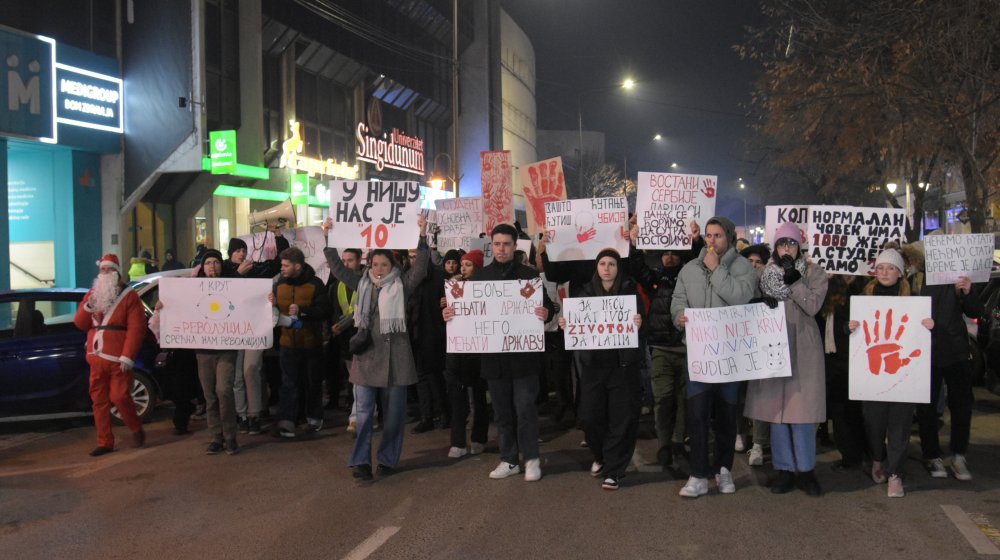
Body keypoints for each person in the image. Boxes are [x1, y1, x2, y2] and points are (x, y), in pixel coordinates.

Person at [444, 224, 554, 482]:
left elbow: (548, 305)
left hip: (524, 358)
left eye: (506, 244)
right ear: (491, 246)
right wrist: (450, 314)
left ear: (515, 246)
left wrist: (547, 312)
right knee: (503, 412)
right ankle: (508, 459)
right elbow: (467, 314)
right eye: (497, 244)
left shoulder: (529, 275)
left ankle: (532, 458)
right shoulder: (481, 278)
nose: (501, 248)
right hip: (494, 360)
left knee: (525, 409)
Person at [324, 217, 430, 480]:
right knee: (363, 415)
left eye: (384, 264)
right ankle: (361, 461)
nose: (379, 269)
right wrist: (328, 238)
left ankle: (387, 459)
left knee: (394, 417)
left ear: (393, 265)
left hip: (396, 359)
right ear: (368, 265)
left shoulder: (402, 284)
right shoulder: (360, 282)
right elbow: (337, 268)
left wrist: (422, 235)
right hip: (366, 358)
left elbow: (421, 267)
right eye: (374, 264)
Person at [671, 216, 756, 498]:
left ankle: (724, 469)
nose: (711, 241)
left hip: (730, 356)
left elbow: (740, 297)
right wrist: (678, 317)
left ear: (729, 238)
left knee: (726, 415)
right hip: (699, 354)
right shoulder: (689, 269)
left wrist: (717, 270)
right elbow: (678, 300)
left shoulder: (743, 267)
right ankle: (697, 474)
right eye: (708, 235)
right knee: (696, 415)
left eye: (717, 236)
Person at [744, 222, 829, 496]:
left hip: (804, 347)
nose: (787, 249)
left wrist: (794, 283)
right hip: (774, 347)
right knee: (777, 411)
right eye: (782, 244)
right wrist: (760, 302)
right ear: (776, 248)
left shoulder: (815, 272)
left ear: (799, 246)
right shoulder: (765, 274)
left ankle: (806, 470)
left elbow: (814, 305)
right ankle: (783, 469)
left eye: (791, 244)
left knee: (802, 413)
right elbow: (751, 304)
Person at [849, 248, 934, 498]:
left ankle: (895, 473)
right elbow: (849, 333)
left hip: (903, 376)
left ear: (900, 273)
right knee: (874, 425)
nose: (885, 272)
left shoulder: (915, 301)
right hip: (872, 376)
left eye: (891, 268)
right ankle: (877, 457)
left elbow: (921, 337)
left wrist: (929, 326)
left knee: (899, 427)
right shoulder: (863, 297)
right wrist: (849, 326)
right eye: (881, 268)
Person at [559, 249, 646, 490]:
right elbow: (575, 325)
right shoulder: (584, 293)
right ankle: (600, 456)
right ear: (596, 267)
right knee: (589, 417)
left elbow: (643, 325)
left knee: (621, 419)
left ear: (619, 268)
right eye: (602, 263)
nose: (607, 268)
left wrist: (639, 323)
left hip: (622, 366)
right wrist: (566, 323)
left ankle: (615, 470)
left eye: (612, 264)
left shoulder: (630, 291)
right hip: (593, 366)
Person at [901, 241, 983, 481]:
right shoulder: (915, 280)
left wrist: (968, 291)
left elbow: (975, 311)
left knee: (961, 407)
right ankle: (932, 455)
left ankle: (959, 455)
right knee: (926, 409)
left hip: (957, 352)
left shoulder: (957, 279)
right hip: (925, 353)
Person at [630, 220, 703, 469]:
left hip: (687, 347)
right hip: (661, 347)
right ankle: (663, 444)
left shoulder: (692, 276)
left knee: (683, 399)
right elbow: (636, 268)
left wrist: (696, 240)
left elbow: (701, 261)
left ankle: (677, 442)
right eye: (665, 253)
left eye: (674, 253)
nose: (669, 257)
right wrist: (633, 244)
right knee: (662, 398)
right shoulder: (655, 279)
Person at [158, 249, 241, 455]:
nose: (212, 266)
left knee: (224, 391)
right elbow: (179, 307)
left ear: (221, 265)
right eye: (208, 263)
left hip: (226, 349)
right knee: (210, 396)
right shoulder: (193, 291)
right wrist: (163, 306)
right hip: (203, 350)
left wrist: (267, 301)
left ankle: (230, 436)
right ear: (202, 268)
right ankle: (216, 437)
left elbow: (248, 306)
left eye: (216, 262)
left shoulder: (235, 287)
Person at [73, 254, 147, 456]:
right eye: (102, 270)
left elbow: (137, 328)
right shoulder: (92, 294)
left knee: (120, 396)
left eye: (109, 270)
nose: (104, 273)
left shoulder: (129, 296)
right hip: (96, 357)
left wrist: (128, 355)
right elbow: (80, 323)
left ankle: (135, 427)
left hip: (118, 359)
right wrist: (88, 307)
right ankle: (105, 441)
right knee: (99, 400)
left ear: (117, 272)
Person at [226, 227, 289, 435]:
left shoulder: (256, 270)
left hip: (253, 329)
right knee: (236, 376)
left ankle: (254, 414)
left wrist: (279, 238)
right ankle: (241, 414)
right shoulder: (225, 271)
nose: (242, 254)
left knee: (251, 369)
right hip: (233, 331)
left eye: (244, 250)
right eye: (237, 251)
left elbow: (279, 262)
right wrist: (237, 275)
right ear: (230, 253)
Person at [269, 246, 332, 438]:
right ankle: (287, 421)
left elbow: (324, 310)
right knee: (288, 383)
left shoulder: (316, 284)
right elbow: (274, 312)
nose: (282, 268)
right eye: (282, 265)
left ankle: (314, 418)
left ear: (298, 266)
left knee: (312, 382)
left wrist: (304, 311)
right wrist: (271, 303)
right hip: (288, 343)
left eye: (286, 265)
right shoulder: (279, 285)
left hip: (311, 344)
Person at [817, 274, 869, 471]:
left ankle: (856, 454)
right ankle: (852, 454)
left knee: (851, 413)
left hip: (851, 363)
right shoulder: (824, 298)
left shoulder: (857, 295)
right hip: (833, 364)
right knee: (842, 414)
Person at [444, 249, 490, 458]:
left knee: (479, 397)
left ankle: (479, 438)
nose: (463, 268)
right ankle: (458, 442)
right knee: (457, 397)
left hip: (479, 350)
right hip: (458, 350)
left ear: (478, 267)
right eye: (462, 264)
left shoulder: (487, 289)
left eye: (468, 264)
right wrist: (445, 310)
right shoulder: (453, 288)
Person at [408, 246, 449, 434]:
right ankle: (427, 416)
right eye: (410, 257)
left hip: (434, 334)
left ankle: (443, 412)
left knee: (434, 376)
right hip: (414, 335)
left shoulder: (439, 277)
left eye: (416, 256)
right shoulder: (409, 278)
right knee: (421, 377)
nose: (413, 260)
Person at [739, 243, 772, 465]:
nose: (753, 266)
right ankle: (740, 433)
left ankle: (758, 444)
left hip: (761, 346)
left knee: (759, 394)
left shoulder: (771, 286)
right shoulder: (736, 284)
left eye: (758, 262)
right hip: (739, 345)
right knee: (739, 394)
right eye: (749, 261)